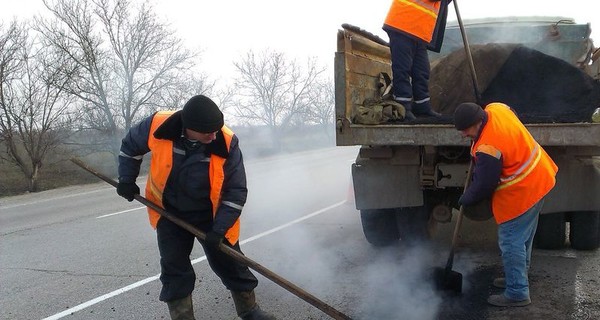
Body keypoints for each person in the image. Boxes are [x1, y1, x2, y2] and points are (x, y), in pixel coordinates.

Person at [116, 95, 276, 320]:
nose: (214, 136)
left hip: (211, 215)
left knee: (231, 263)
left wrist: (219, 229)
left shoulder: (227, 141)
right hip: (169, 212)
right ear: (189, 128)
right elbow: (130, 147)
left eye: (216, 130)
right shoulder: (157, 124)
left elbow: (236, 191)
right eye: (207, 133)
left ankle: (250, 310)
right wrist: (126, 178)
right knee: (174, 268)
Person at [453, 102, 559, 307]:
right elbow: (512, 111)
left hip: (524, 188)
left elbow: (484, 184)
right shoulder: (495, 109)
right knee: (524, 237)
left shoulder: (488, 147)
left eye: (466, 130)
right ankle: (518, 276)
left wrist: (466, 198)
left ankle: (518, 291)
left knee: (511, 240)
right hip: (541, 175)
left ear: (477, 122)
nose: (464, 135)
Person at [383, 0, 451, 120]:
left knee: (422, 71)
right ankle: (402, 108)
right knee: (403, 69)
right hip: (403, 24)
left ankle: (422, 107)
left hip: (419, 31)